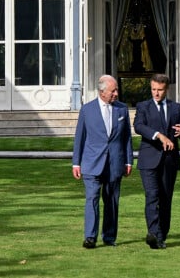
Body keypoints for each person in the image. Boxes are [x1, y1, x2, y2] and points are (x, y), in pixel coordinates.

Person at [72, 75, 133, 249]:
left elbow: (126, 137)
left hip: (115, 162)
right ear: (102, 91)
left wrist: (129, 161)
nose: (116, 93)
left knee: (112, 201)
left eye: (116, 90)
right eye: (113, 90)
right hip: (91, 163)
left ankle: (109, 237)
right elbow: (80, 138)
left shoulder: (122, 109)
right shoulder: (87, 110)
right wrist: (76, 163)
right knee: (92, 198)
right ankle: (90, 237)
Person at [133, 73, 180, 249]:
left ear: (167, 90)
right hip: (149, 160)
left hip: (169, 161)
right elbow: (138, 126)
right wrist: (159, 136)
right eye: (153, 89)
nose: (156, 93)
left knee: (165, 199)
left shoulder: (176, 107)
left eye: (160, 90)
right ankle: (153, 234)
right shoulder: (143, 106)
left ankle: (161, 234)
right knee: (152, 196)